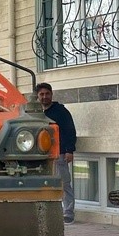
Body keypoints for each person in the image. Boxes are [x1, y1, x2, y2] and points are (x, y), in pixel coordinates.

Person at [36, 82, 76, 224]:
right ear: (37, 96)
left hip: (59, 154)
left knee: (64, 183)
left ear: (52, 95)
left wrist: (69, 150)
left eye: (47, 94)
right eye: (42, 94)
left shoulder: (61, 111)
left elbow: (70, 131)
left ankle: (68, 213)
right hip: (39, 156)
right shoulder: (35, 113)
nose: (45, 97)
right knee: (43, 184)